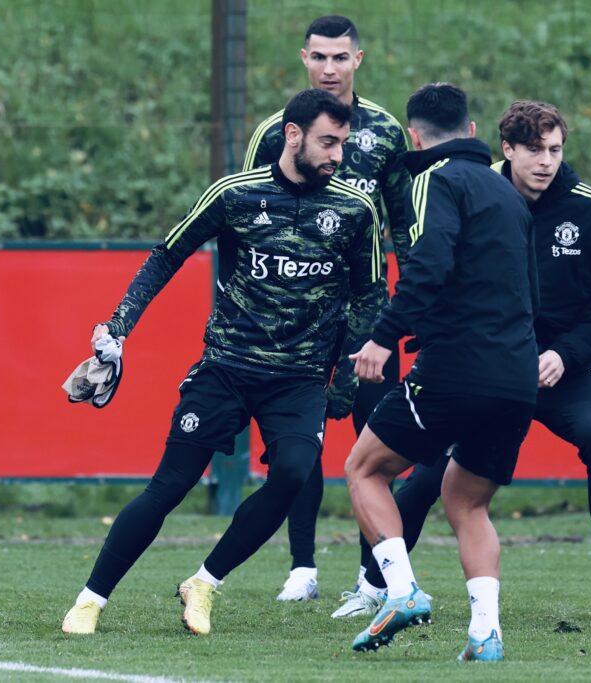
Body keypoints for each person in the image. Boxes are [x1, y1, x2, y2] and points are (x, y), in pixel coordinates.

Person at [60, 88, 385, 636]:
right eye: (328, 142)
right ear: (293, 135)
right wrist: (117, 327)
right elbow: (166, 256)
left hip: (300, 378)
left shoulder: (355, 208)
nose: (338, 155)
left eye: (344, 144)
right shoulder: (235, 194)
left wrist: (345, 381)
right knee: (169, 486)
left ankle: (205, 582)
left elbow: (370, 298)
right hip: (226, 367)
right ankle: (90, 599)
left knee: (291, 473)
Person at [336, 100, 591, 623]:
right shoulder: (478, 190)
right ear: (505, 148)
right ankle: (374, 587)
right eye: (534, 149)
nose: (546, 161)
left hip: (564, 368)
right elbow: (442, 270)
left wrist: (564, 353)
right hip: (491, 361)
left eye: (555, 149)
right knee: (425, 480)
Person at [344, 83, 539, 662]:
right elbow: (531, 292)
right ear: (476, 132)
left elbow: (428, 266)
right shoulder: (509, 196)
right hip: (515, 375)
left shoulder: (435, 180)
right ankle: (485, 634)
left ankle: (400, 592)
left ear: (414, 136)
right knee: (466, 501)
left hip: (457, 366)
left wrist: (383, 336)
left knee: (364, 468)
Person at [241, 14, 412, 603]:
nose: (330, 68)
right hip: (296, 316)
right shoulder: (275, 131)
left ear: (358, 61)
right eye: (319, 57)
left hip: (367, 314)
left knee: (376, 434)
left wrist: (410, 306)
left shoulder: (386, 132)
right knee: (302, 439)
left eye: (341, 57)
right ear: (304, 59)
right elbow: (246, 220)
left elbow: (405, 225)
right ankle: (303, 566)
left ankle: (373, 576)